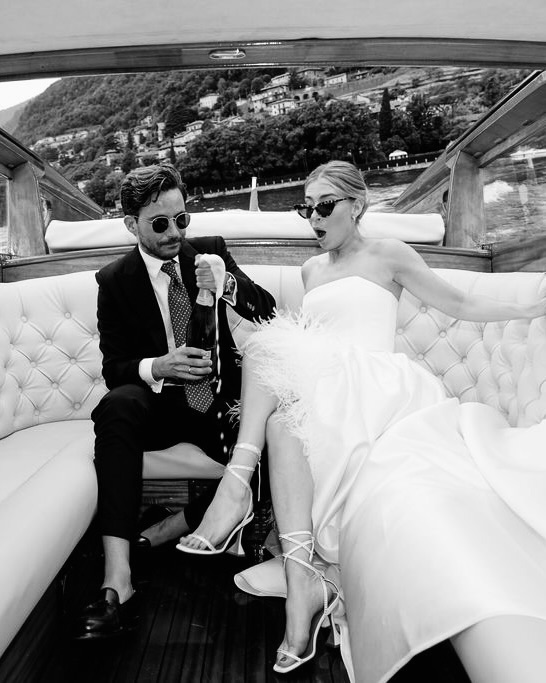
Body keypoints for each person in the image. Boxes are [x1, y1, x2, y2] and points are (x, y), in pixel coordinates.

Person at [178, 160, 546, 682]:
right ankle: (301, 586)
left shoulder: (388, 253)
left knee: (273, 383)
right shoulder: (311, 270)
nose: (314, 218)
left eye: (325, 206)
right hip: (327, 385)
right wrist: (226, 289)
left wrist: (530, 308)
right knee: (278, 410)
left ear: (358, 204)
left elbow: (458, 301)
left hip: (375, 386)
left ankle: (236, 492)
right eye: (306, 208)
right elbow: (305, 342)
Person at [73, 163, 276, 640]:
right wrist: (159, 366)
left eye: (181, 219)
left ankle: (166, 529)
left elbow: (267, 312)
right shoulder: (114, 280)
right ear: (132, 224)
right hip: (159, 403)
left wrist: (227, 282)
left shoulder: (210, 252)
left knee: (280, 436)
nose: (174, 233)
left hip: (219, 399)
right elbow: (115, 368)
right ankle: (117, 582)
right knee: (117, 405)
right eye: (160, 223)